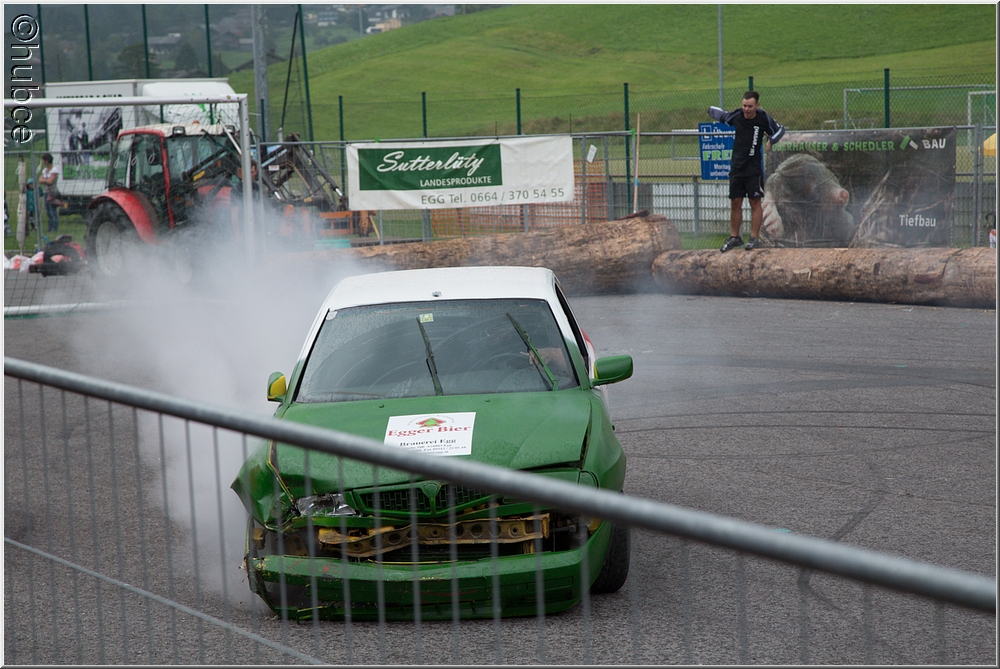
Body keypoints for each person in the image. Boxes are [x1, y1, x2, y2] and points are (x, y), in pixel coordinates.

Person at [708, 91, 785, 252]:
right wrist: (710, 110)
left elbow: (780, 130)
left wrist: (771, 140)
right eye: (744, 106)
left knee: (754, 202)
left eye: (750, 106)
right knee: (735, 202)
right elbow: (722, 115)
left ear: (757, 105)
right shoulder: (737, 116)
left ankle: (753, 238)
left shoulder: (763, 117)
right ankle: (735, 237)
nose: (746, 109)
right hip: (737, 167)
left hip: (753, 168)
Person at [38, 153, 62, 233]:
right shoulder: (45, 171)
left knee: (52, 211)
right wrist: (46, 180)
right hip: (46, 192)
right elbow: (40, 180)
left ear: (47, 161)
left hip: (53, 193)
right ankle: (50, 227)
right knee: (48, 211)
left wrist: (45, 180)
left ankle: (54, 228)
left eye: (43, 160)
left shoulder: (54, 170)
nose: (43, 162)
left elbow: (51, 181)